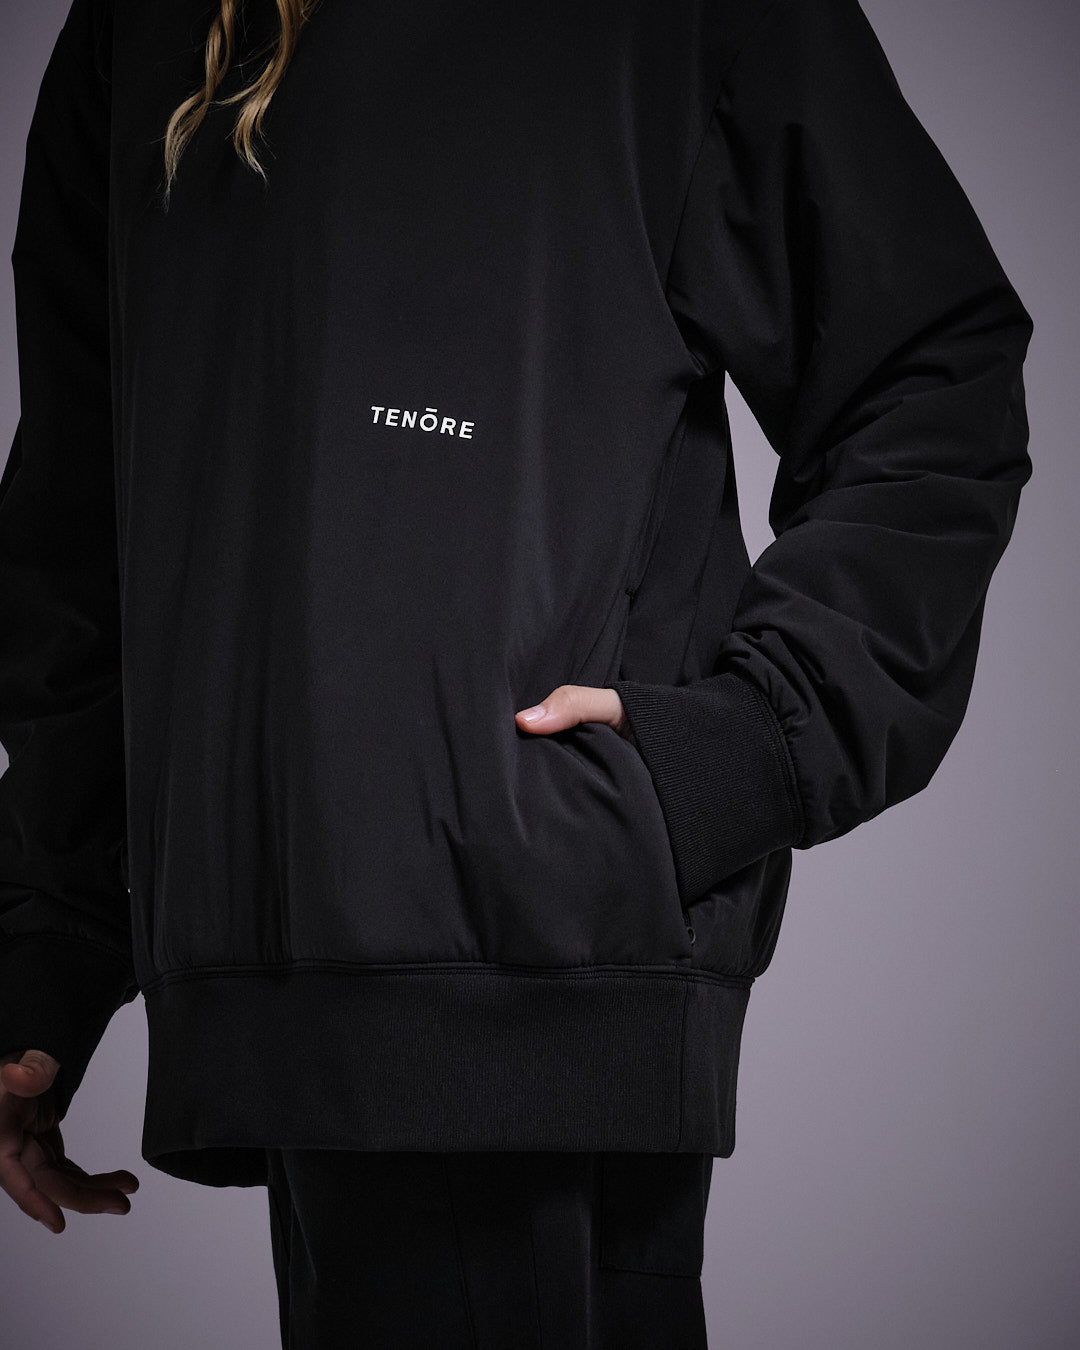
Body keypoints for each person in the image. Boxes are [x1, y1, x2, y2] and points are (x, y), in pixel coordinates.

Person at [0, 0, 1033, 1345]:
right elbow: (84, 520)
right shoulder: (140, 27)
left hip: (540, 950)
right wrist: (48, 945)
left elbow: (930, 375)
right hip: (297, 999)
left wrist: (740, 750)